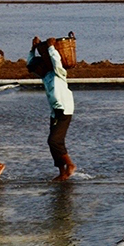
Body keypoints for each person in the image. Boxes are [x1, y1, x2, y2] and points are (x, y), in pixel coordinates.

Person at [28, 36, 76, 181]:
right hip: (55, 112)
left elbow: (56, 61)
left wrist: (51, 48)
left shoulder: (58, 73)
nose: (37, 72)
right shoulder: (45, 76)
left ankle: (70, 165)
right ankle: (62, 172)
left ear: (43, 66)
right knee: (55, 143)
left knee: (54, 141)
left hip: (65, 110)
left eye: (38, 69)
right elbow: (30, 64)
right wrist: (33, 49)